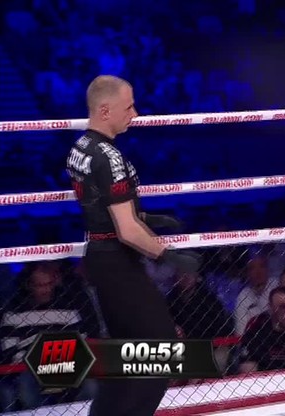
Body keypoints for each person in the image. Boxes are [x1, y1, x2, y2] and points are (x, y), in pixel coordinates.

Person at [65, 75, 200, 416]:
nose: (135, 114)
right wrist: (169, 256)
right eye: (128, 107)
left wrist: (148, 218)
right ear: (105, 110)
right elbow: (126, 230)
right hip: (117, 260)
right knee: (162, 350)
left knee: (126, 354)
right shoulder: (108, 156)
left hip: (101, 256)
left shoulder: (80, 148)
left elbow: (105, 209)